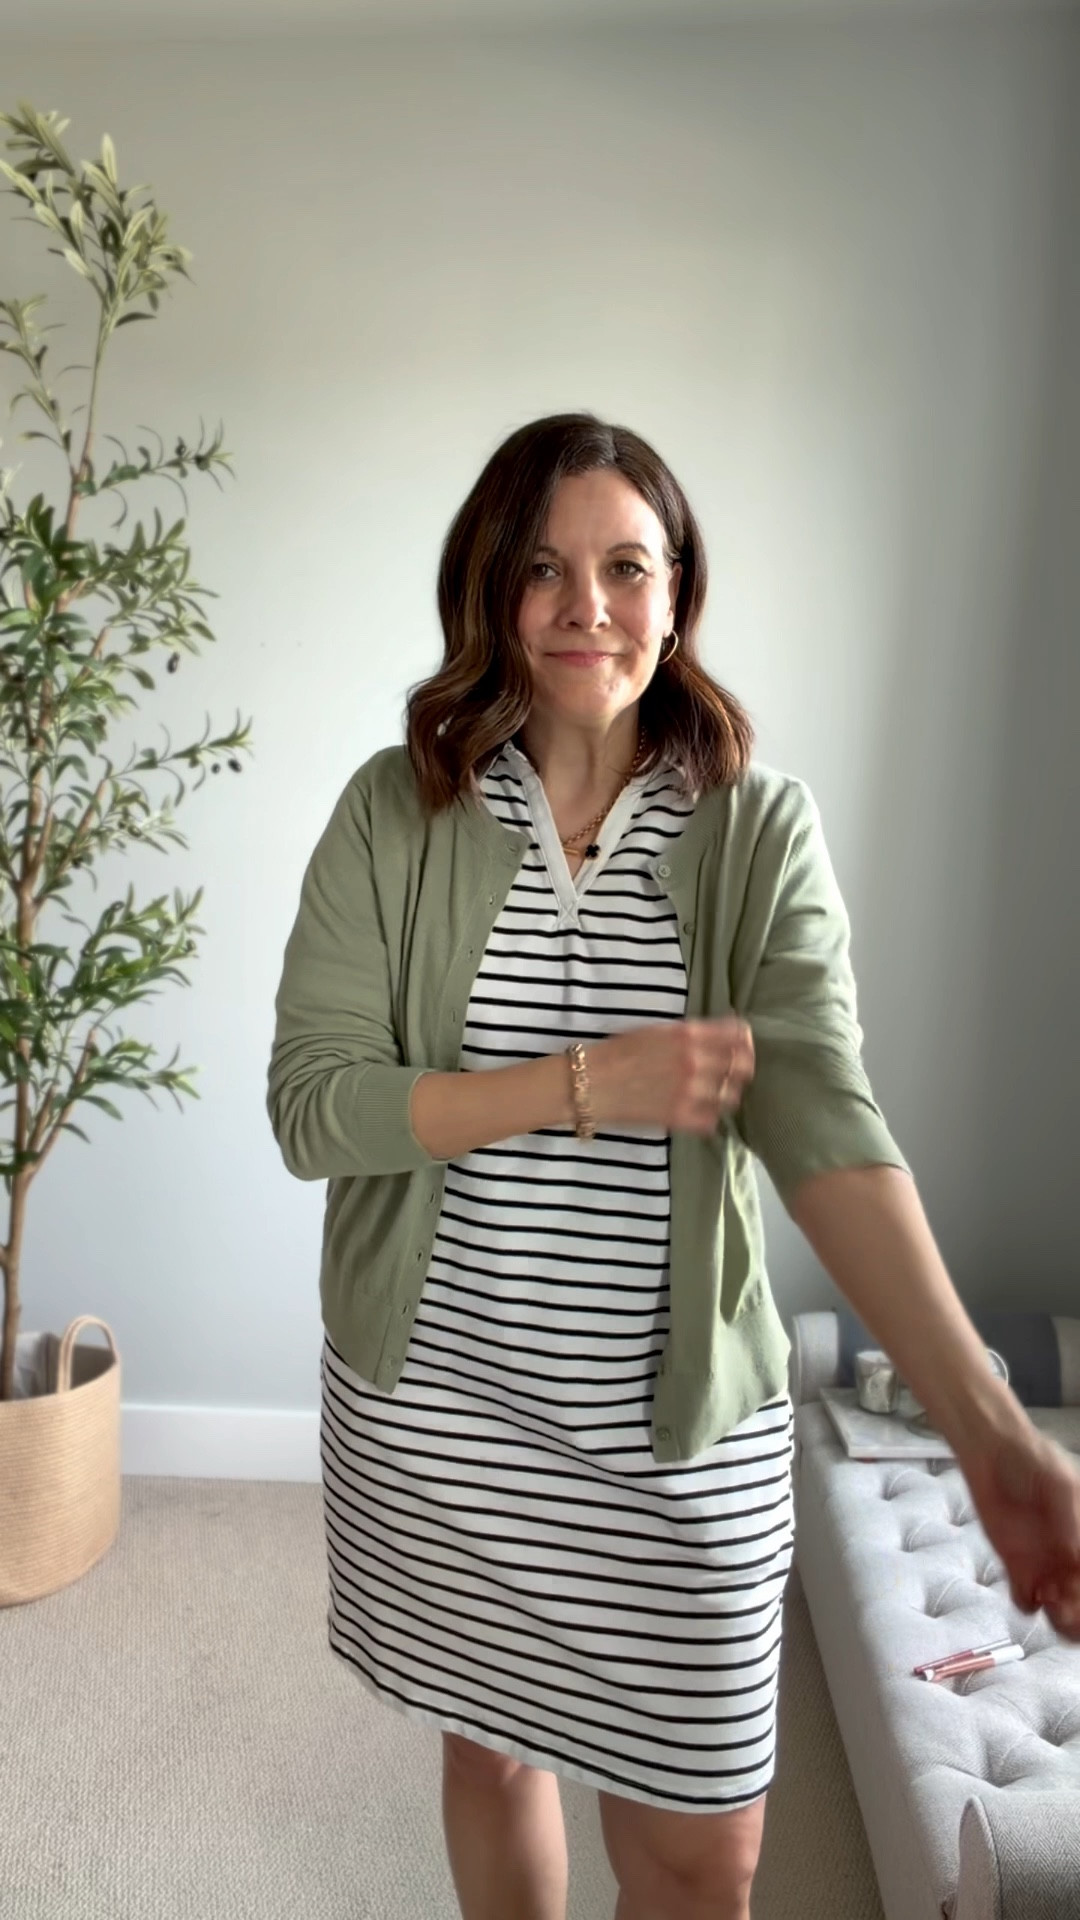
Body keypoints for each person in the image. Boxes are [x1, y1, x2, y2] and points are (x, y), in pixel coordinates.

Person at [267, 412, 1080, 1920]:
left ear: (679, 589)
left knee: (707, 1857)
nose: (587, 606)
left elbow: (830, 1134)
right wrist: (583, 1084)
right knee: (490, 1754)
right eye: (543, 567)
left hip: (676, 1446)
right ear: (489, 589)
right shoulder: (397, 811)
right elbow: (313, 1109)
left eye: (626, 567)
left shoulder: (757, 833)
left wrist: (990, 1430)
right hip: (438, 1412)